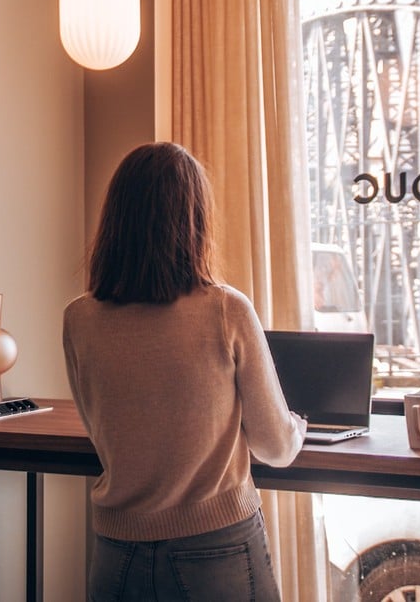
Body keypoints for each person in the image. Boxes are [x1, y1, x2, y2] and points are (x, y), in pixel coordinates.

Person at [63, 142, 307, 602]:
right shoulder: (226, 309)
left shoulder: (79, 318)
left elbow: (101, 429)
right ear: (194, 221)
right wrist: (297, 427)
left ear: (116, 220)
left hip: (117, 553)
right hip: (215, 549)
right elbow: (275, 447)